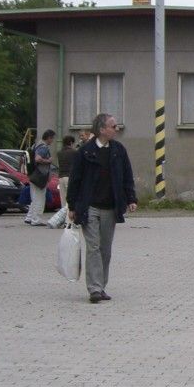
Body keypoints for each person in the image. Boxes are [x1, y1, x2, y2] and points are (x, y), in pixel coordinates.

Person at [68, 113, 137, 304]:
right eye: (113, 126)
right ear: (101, 130)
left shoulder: (118, 150)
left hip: (110, 207)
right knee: (94, 247)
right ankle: (94, 289)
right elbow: (75, 179)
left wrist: (131, 198)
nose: (117, 129)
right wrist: (72, 205)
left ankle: (102, 285)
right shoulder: (85, 151)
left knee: (105, 249)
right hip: (89, 206)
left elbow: (127, 176)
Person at [24, 129, 56, 226]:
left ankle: (29, 217)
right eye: (52, 138)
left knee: (34, 197)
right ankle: (36, 219)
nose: (52, 141)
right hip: (40, 176)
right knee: (40, 198)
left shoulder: (36, 145)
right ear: (49, 138)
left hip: (33, 175)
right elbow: (38, 159)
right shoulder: (43, 147)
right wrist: (48, 161)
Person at [47, 135, 78, 228]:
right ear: (71, 143)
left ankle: (64, 220)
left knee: (63, 200)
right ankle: (69, 222)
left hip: (60, 177)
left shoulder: (59, 153)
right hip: (70, 177)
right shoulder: (73, 152)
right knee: (71, 201)